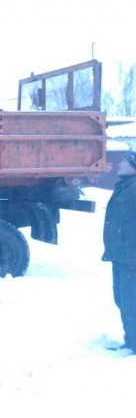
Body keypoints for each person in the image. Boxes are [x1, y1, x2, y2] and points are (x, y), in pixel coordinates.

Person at [103, 150, 136, 353]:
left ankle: (134, 344)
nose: (119, 163)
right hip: (121, 256)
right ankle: (130, 341)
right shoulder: (126, 186)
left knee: (131, 301)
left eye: (124, 161)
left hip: (131, 257)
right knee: (122, 299)